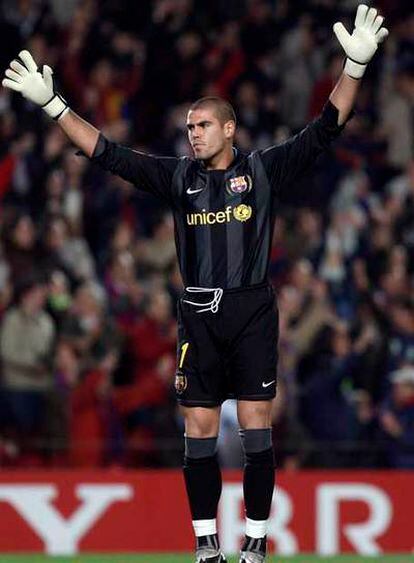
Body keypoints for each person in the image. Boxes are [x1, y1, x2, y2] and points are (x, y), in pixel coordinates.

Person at [2, 5, 388, 562]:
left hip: (252, 309)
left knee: (257, 429)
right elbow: (105, 153)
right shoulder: (176, 176)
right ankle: (206, 542)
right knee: (199, 431)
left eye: (203, 126)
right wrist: (55, 105)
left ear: (229, 128)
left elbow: (328, 127)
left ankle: (255, 541)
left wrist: (352, 68)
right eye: (189, 128)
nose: (194, 135)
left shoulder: (262, 171)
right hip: (198, 314)